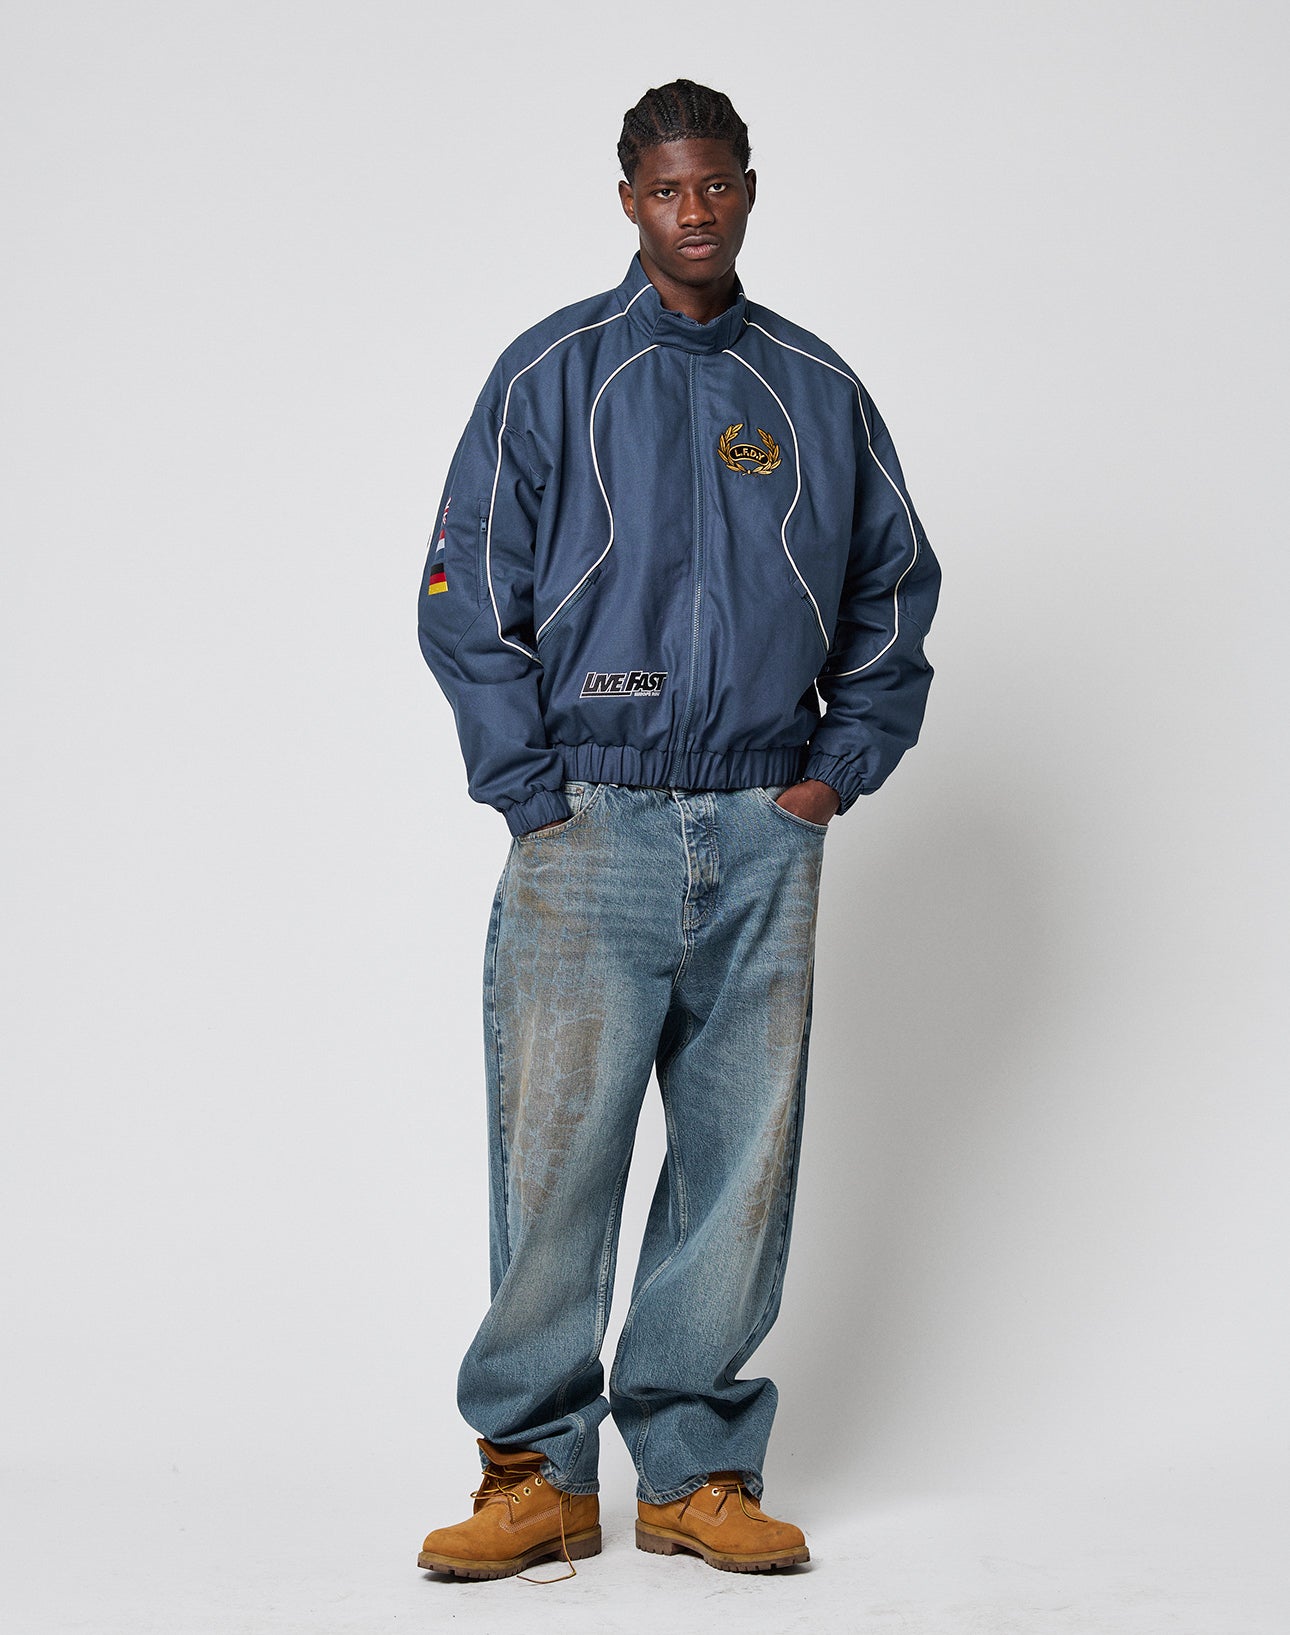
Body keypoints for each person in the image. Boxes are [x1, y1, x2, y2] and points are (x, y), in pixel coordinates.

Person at [415, 78, 940, 1582]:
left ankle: (694, 1471)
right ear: (628, 198)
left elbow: (891, 595)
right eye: (666, 189)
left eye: (715, 186)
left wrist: (828, 775)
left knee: (737, 1163)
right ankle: (532, 1473)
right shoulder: (554, 373)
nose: (692, 212)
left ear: (749, 190)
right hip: (593, 821)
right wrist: (535, 794)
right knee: (554, 1162)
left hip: (763, 824)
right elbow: (463, 589)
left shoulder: (815, 388)